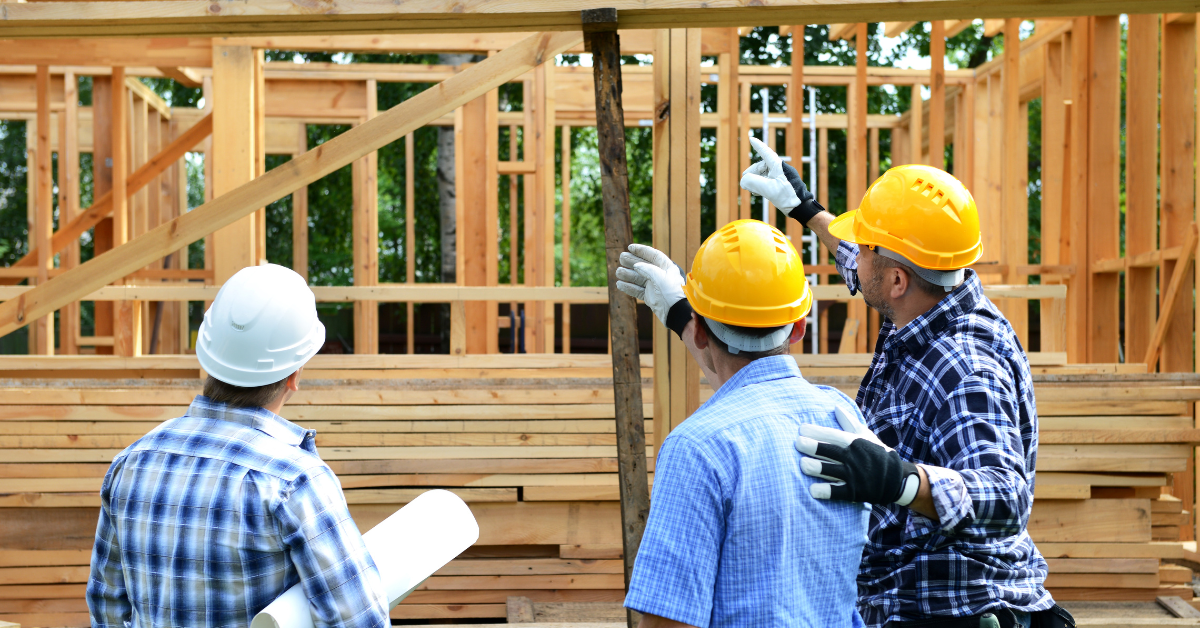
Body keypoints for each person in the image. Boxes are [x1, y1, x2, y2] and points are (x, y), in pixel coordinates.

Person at [737, 138, 1073, 628]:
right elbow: (862, 259)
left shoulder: (965, 367)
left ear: (896, 280)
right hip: (915, 602)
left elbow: (1006, 495)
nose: (856, 256)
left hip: (960, 611)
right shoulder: (926, 293)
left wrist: (903, 481)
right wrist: (806, 209)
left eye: (869, 247)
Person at [86, 264, 391, 628]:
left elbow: (106, 609)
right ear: (294, 374)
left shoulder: (131, 463)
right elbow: (358, 621)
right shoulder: (293, 481)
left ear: (208, 355)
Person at [616, 219, 872, 628]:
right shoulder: (842, 415)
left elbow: (667, 621)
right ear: (801, 326)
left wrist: (687, 314)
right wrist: (683, 314)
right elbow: (750, 384)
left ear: (699, 331)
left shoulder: (697, 447)